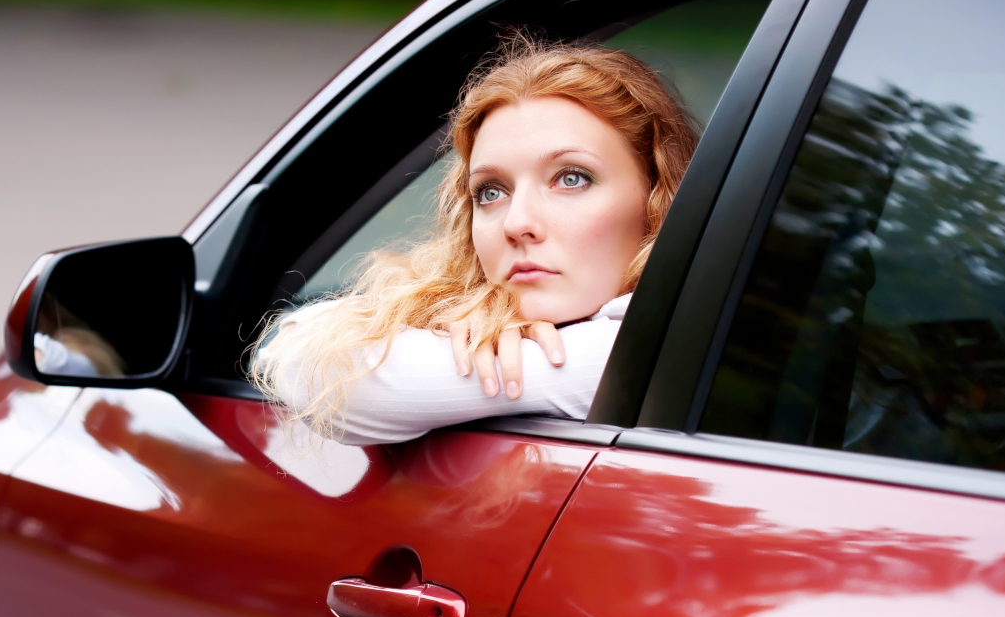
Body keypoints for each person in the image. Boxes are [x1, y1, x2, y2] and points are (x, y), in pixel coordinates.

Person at [252, 36, 699, 445]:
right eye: (491, 192)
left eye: (571, 178)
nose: (516, 222)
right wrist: (481, 319)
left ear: (658, 197)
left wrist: (489, 349)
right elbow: (287, 345)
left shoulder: (666, 344)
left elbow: (334, 382)